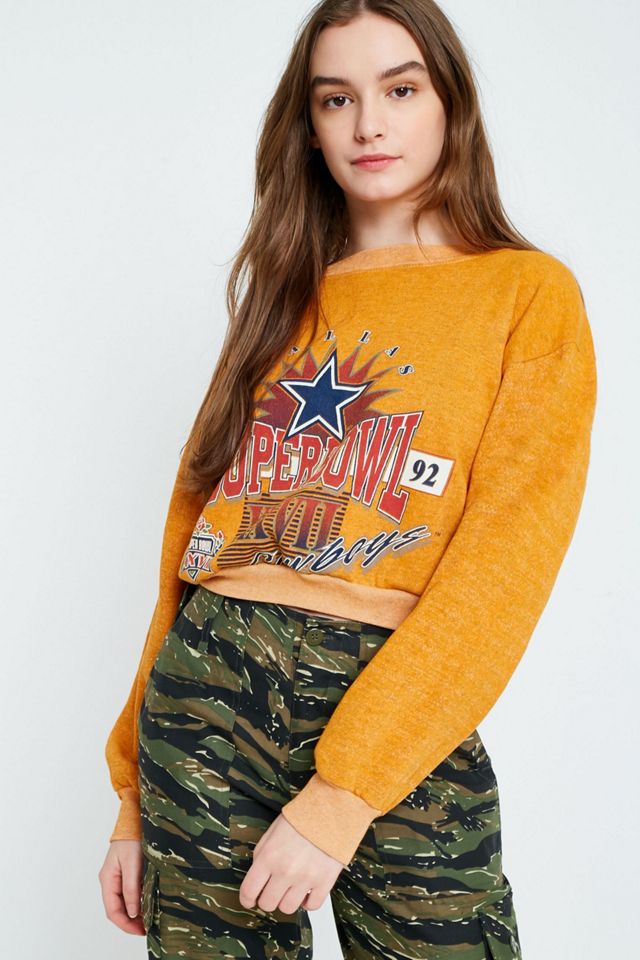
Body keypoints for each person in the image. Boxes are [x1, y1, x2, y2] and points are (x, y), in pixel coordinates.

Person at [98, 2, 597, 958]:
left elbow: (504, 569)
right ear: (310, 124)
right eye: (337, 98)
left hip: (396, 694)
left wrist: (346, 792)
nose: (369, 124)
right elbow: (188, 543)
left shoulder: (526, 294)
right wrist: (132, 796)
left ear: (450, 103)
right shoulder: (282, 295)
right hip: (207, 692)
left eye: (400, 89)